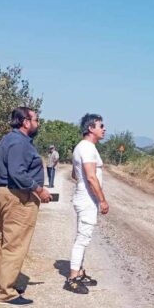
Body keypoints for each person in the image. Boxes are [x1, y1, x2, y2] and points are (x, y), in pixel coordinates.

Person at [0, 107, 52, 306]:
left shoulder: (7, 139)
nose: (38, 124)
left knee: (3, 241)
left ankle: (0, 284)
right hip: (17, 196)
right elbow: (17, 172)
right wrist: (39, 190)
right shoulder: (19, 142)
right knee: (15, 244)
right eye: (36, 120)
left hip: (2, 192)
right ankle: (6, 292)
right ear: (26, 122)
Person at [65, 113, 109, 294]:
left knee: (83, 236)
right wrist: (102, 200)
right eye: (100, 126)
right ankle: (72, 278)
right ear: (91, 128)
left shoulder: (83, 147)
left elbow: (75, 174)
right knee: (83, 239)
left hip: (84, 197)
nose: (104, 129)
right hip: (87, 199)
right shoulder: (87, 148)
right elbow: (91, 177)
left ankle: (80, 272)